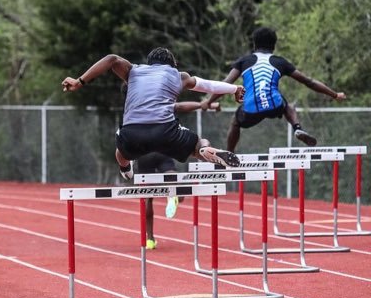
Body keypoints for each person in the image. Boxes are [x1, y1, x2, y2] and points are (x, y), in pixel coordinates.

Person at [62, 47, 245, 181]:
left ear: (149, 64)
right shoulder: (178, 75)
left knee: (120, 151)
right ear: (173, 64)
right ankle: (204, 150)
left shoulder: (134, 71)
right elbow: (207, 85)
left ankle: (125, 168)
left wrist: (80, 81)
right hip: (165, 131)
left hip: (132, 133)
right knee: (197, 146)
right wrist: (234, 88)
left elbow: (111, 59)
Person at [201, 27, 347, 151]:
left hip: (251, 108)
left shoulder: (244, 61)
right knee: (287, 105)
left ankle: (229, 153)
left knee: (236, 122)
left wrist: (209, 101)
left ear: (254, 44)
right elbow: (309, 82)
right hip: (274, 104)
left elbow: (225, 85)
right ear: (274, 46)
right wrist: (334, 94)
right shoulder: (280, 62)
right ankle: (297, 127)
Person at [138, 100, 222, 250]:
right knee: (170, 172)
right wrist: (206, 104)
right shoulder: (159, 99)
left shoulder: (134, 107)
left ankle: (150, 239)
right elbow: (181, 106)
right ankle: (174, 192)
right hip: (164, 146)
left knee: (147, 196)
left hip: (145, 151)